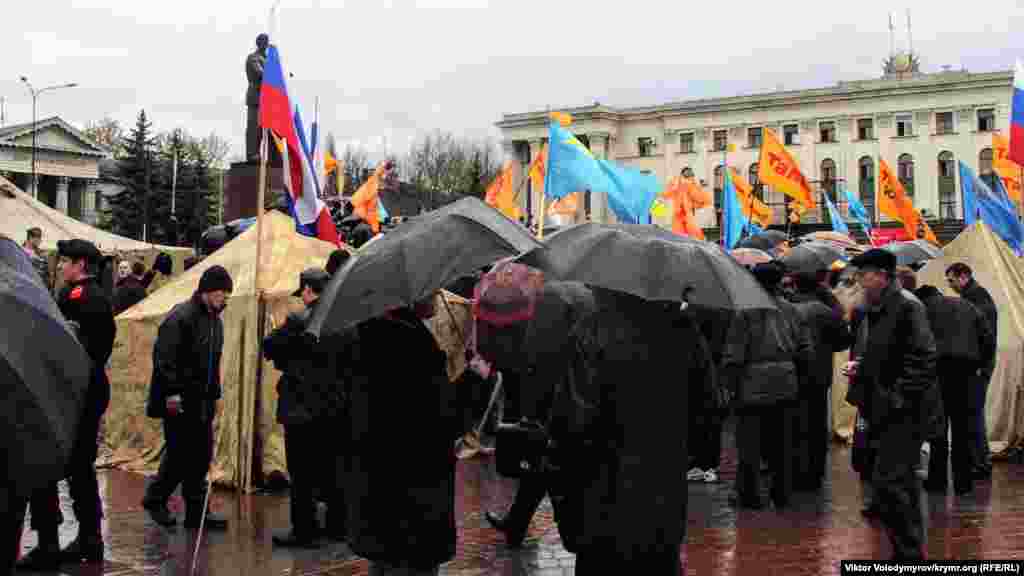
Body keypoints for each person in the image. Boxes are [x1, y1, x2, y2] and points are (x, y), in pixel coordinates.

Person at [476, 267, 712, 574]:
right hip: (663, 499)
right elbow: (708, 412)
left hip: (602, 499)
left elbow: (572, 425)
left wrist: (559, 472)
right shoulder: (683, 330)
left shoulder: (594, 330)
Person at [339, 293, 458, 575]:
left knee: (385, 559)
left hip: (380, 487)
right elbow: (442, 421)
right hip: (414, 493)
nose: (438, 297)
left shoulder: (370, 336)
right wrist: (475, 379)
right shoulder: (413, 346)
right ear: (413, 297)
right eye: (433, 290)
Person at [17, 239, 116, 569]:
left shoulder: (84, 298)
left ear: (81, 265)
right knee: (79, 469)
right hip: (79, 392)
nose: (60, 266)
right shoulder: (85, 295)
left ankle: (63, 541)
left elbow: (85, 350)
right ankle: (88, 539)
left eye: (65, 262)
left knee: (57, 464)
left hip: (74, 393)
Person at [846, 249, 939, 560]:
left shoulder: (907, 306)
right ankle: (908, 552)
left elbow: (923, 358)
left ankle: (908, 553)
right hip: (884, 407)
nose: (860, 281)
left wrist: (897, 397)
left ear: (883, 276)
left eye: (864, 275)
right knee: (900, 484)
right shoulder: (878, 307)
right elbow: (889, 353)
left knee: (890, 483)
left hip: (904, 411)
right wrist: (863, 367)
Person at [141, 266, 233, 530]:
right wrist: (172, 393)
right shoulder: (181, 317)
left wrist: (214, 394)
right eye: (222, 293)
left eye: (227, 294)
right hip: (180, 400)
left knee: (200, 456)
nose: (225, 299)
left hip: (203, 401)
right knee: (179, 455)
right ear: (207, 291)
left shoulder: (215, 321)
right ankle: (155, 499)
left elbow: (212, 363)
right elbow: (164, 359)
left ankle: (197, 513)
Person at [264, 268, 347, 547]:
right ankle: (337, 527)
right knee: (332, 468)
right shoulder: (344, 320)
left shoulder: (298, 320)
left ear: (309, 290)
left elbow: (270, 347)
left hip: (302, 408)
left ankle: (305, 530)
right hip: (333, 408)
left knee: (302, 473)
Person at [722, 261, 812, 510]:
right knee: (781, 443)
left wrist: (730, 384)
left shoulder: (745, 312)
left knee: (749, 444)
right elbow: (806, 350)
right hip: (786, 383)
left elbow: (734, 354)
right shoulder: (793, 311)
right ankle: (781, 493)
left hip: (752, 385)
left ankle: (749, 494)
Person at [914, 284, 992, 496]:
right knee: (962, 430)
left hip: (936, 373)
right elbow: (987, 337)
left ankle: (937, 482)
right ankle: (963, 484)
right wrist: (981, 366)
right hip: (966, 373)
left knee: (938, 429)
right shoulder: (967, 305)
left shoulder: (922, 310)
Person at [788, 270, 851, 491]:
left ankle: (794, 469)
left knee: (793, 422)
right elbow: (844, 342)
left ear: (795, 284)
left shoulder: (787, 310)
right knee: (816, 422)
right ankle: (814, 472)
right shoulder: (827, 312)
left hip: (793, 373)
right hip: (819, 374)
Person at [945, 262, 997, 481]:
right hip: (978, 365)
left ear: (963, 276)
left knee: (974, 415)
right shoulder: (975, 296)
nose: (950, 285)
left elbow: (984, 337)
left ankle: (981, 463)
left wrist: (978, 366)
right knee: (971, 414)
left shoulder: (976, 299)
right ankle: (977, 461)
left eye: (952, 280)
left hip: (977, 368)